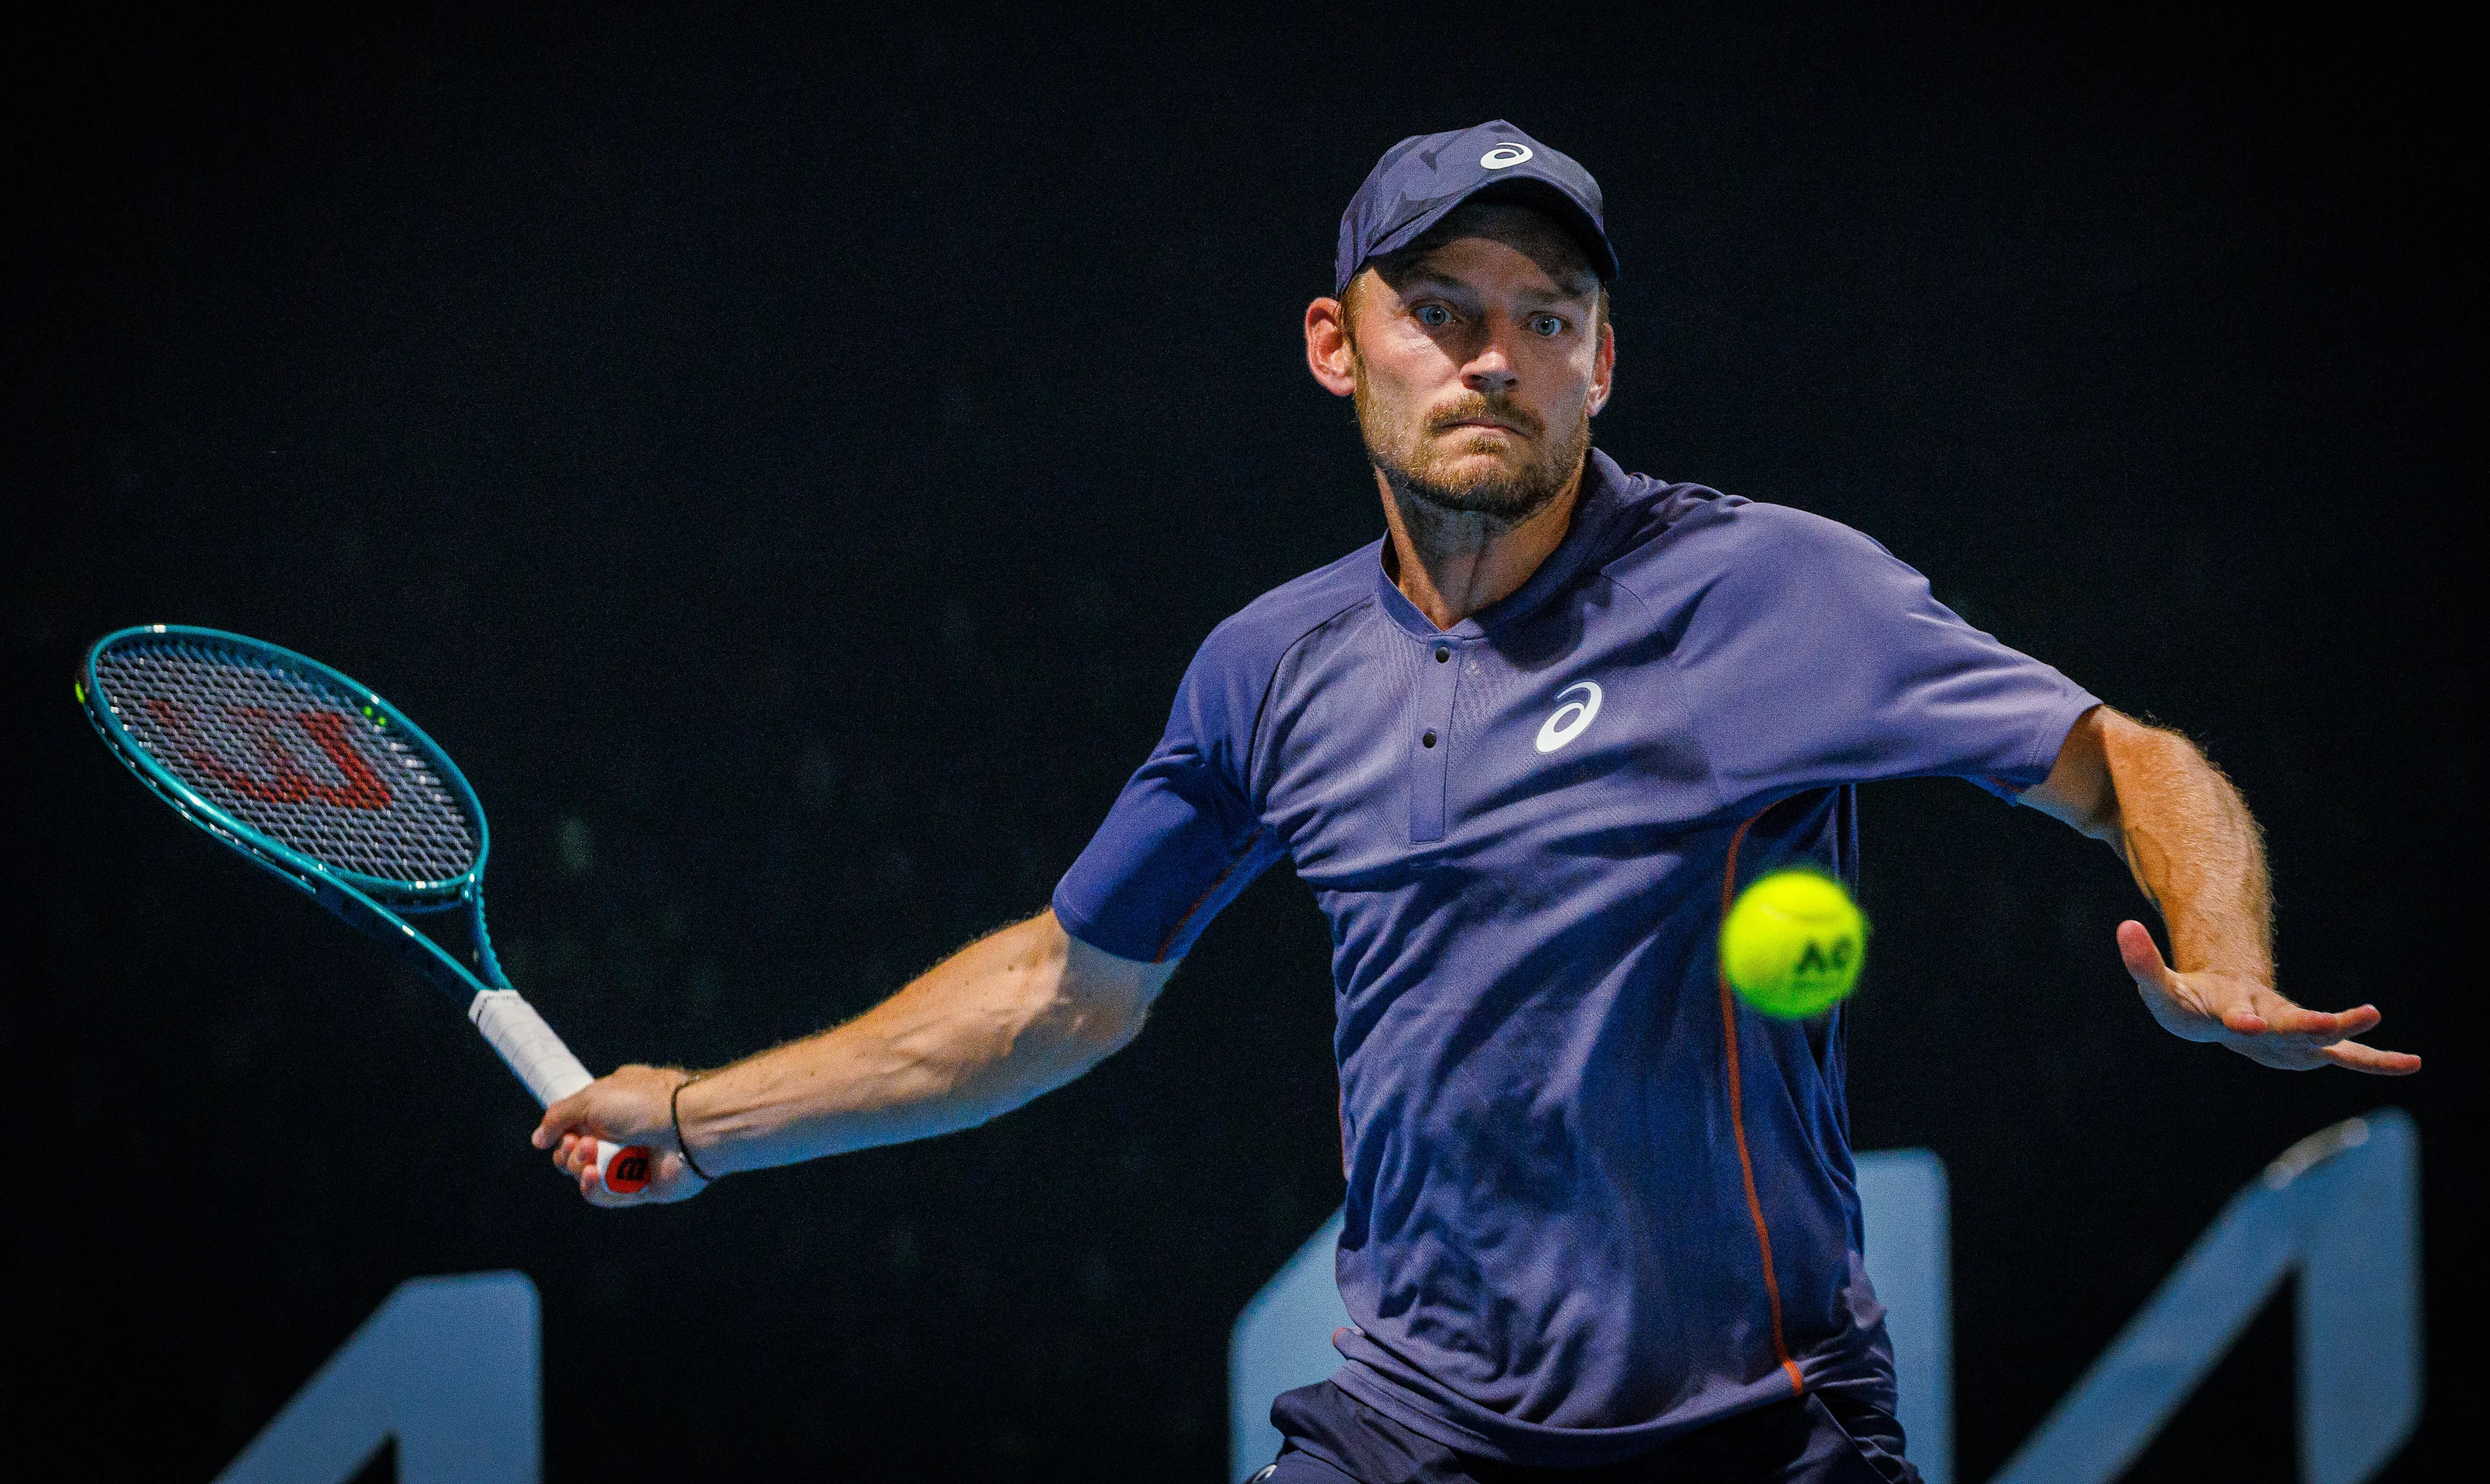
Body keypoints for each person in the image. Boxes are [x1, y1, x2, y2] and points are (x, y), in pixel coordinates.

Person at [534, 121, 2419, 1483]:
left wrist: (2227, 957)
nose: (1494, 354)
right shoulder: (1270, 674)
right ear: (1335, 348)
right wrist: (710, 1117)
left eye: (1546, 312)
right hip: (1409, 1434)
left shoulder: (1771, 594)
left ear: (1603, 359)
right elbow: (1063, 988)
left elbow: (2127, 761)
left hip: (1765, 1429)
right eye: (1441, 307)